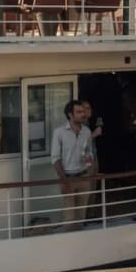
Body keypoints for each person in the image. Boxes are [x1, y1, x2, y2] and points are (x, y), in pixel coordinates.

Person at [52, 99, 94, 230]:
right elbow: (55, 159)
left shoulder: (86, 131)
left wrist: (89, 161)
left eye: (83, 111)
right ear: (70, 114)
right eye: (79, 112)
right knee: (69, 220)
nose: (83, 114)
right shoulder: (59, 132)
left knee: (81, 218)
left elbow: (89, 152)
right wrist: (64, 181)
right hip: (68, 178)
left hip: (83, 177)